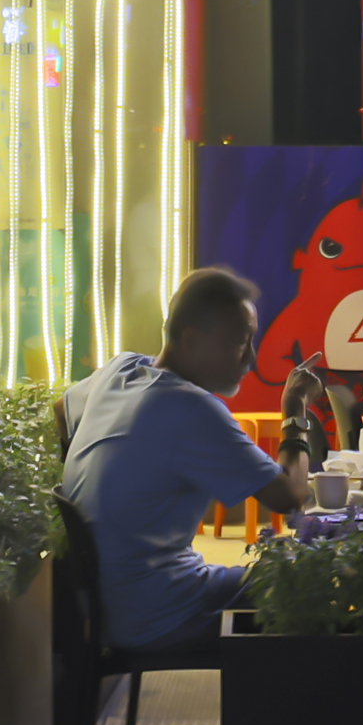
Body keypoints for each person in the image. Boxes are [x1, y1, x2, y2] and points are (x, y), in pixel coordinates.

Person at [61, 268, 315, 655]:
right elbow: (290, 497)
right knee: (303, 577)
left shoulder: (120, 370)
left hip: (108, 606)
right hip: (157, 613)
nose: (251, 358)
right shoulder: (190, 408)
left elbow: (60, 410)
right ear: (192, 339)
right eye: (241, 342)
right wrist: (295, 409)